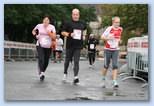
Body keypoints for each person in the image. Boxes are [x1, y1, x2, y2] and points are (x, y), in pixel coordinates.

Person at [61, 8, 86, 84]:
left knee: (76, 61)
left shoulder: (82, 23)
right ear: (72, 15)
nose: (75, 16)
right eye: (74, 14)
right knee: (67, 61)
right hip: (69, 45)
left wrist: (84, 35)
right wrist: (69, 34)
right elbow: (62, 32)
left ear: (79, 15)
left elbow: (85, 30)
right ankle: (65, 74)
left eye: (77, 14)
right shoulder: (68, 23)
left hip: (78, 46)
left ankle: (76, 77)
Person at [101, 16, 123, 88]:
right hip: (108, 49)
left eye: (119, 22)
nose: (118, 24)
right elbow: (102, 37)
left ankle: (114, 81)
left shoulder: (120, 29)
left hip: (116, 49)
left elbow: (119, 38)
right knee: (106, 65)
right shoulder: (109, 29)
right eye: (116, 22)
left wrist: (120, 40)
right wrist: (108, 38)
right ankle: (103, 78)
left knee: (115, 65)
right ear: (113, 22)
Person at [32, 16, 56, 81]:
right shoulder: (39, 26)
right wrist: (35, 35)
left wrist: (49, 33)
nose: (45, 21)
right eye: (44, 20)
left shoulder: (52, 27)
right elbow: (33, 31)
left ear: (49, 21)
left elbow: (54, 37)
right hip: (40, 44)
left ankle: (42, 71)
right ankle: (41, 74)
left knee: (46, 60)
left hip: (48, 46)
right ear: (43, 20)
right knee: (41, 58)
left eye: (47, 20)